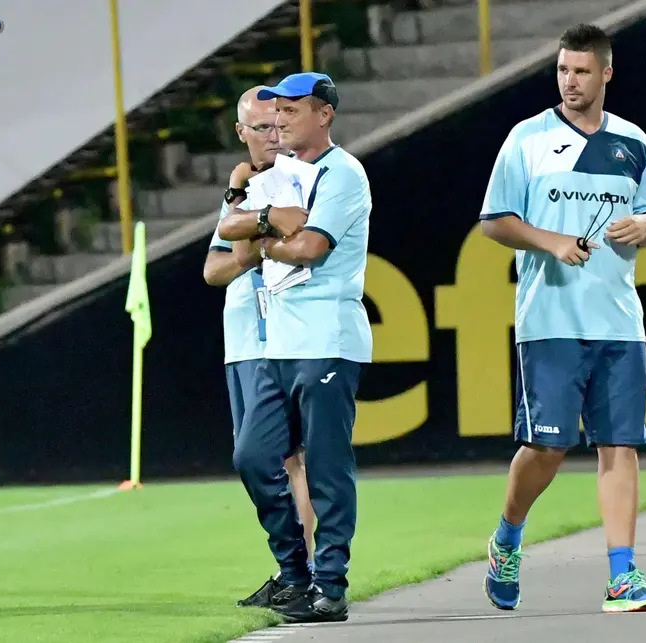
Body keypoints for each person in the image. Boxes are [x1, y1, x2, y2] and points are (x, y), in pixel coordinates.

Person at [478, 24, 646, 614]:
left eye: (581, 71)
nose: (570, 81)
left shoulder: (633, 141)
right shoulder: (527, 138)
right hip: (550, 320)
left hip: (619, 319)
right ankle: (507, 537)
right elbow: (494, 220)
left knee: (619, 445)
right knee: (547, 448)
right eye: (563, 69)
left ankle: (622, 576)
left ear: (605, 73)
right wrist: (551, 241)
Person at [217, 72, 372, 623]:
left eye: (291, 110)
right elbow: (229, 230)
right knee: (253, 457)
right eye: (275, 112)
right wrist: (265, 219)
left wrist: (263, 240)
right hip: (277, 342)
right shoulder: (277, 176)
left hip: (327, 337)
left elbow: (309, 247)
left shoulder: (343, 172)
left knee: (327, 467)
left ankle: (330, 585)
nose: (279, 121)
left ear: (323, 115)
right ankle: (294, 572)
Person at [203, 86, 316, 592]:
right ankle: (293, 570)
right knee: (261, 461)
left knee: (289, 459)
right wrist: (243, 214)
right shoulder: (244, 190)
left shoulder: (298, 180)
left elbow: (254, 252)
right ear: (241, 132)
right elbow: (214, 269)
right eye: (262, 127)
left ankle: (302, 573)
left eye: (279, 123)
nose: (274, 135)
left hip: (283, 339)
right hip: (243, 340)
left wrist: (245, 214)